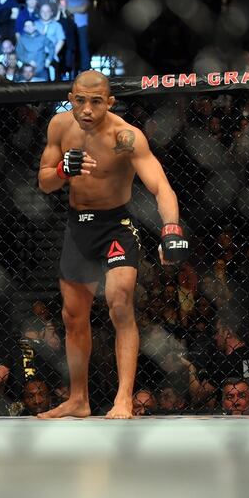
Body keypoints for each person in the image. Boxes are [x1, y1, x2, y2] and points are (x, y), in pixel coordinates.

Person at [36, 70, 189, 419]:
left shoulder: (127, 137)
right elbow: (44, 183)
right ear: (71, 98)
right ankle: (79, 400)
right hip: (79, 228)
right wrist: (62, 170)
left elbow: (161, 187)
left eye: (95, 102)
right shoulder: (59, 126)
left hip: (115, 226)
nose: (87, 109)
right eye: (80, 101)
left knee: (120, 302)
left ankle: (123, 399)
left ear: (109, 102)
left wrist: (171, 229)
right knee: (73, 317)